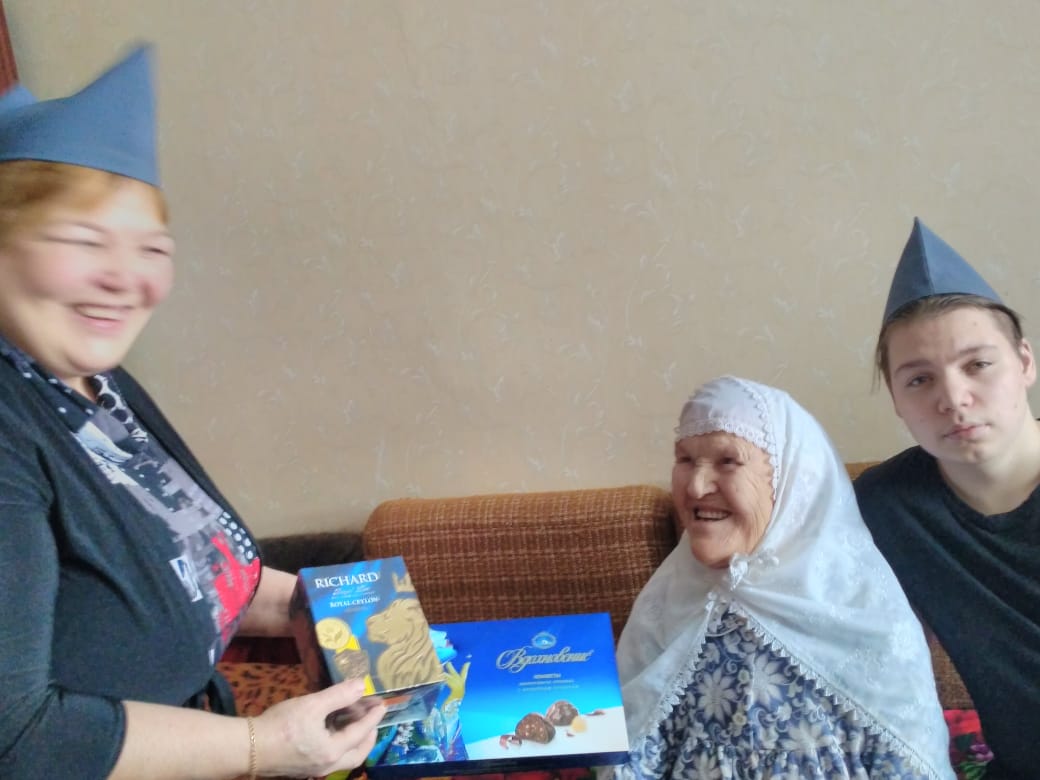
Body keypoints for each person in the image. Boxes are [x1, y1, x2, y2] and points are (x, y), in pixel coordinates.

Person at [0, 45, 386, 779]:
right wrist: (262, 748)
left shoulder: (94, 381)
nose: (125, 278)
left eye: (152, 248)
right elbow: (15, 738)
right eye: (83, 240)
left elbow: (193, 564)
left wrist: (321, 607)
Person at [610, 376, 953, 779]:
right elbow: (631, 754)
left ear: (792, 481)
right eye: (685, 460)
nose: (697, 486)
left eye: (728, 461)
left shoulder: (864, 612)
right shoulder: (666, 604)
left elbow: (909, 763)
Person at [854, 218, 1040, 779]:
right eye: (919, 379)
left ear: (1025, 363)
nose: (953, 399)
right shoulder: (886, 507)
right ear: (895, 398)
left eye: (977, 365)